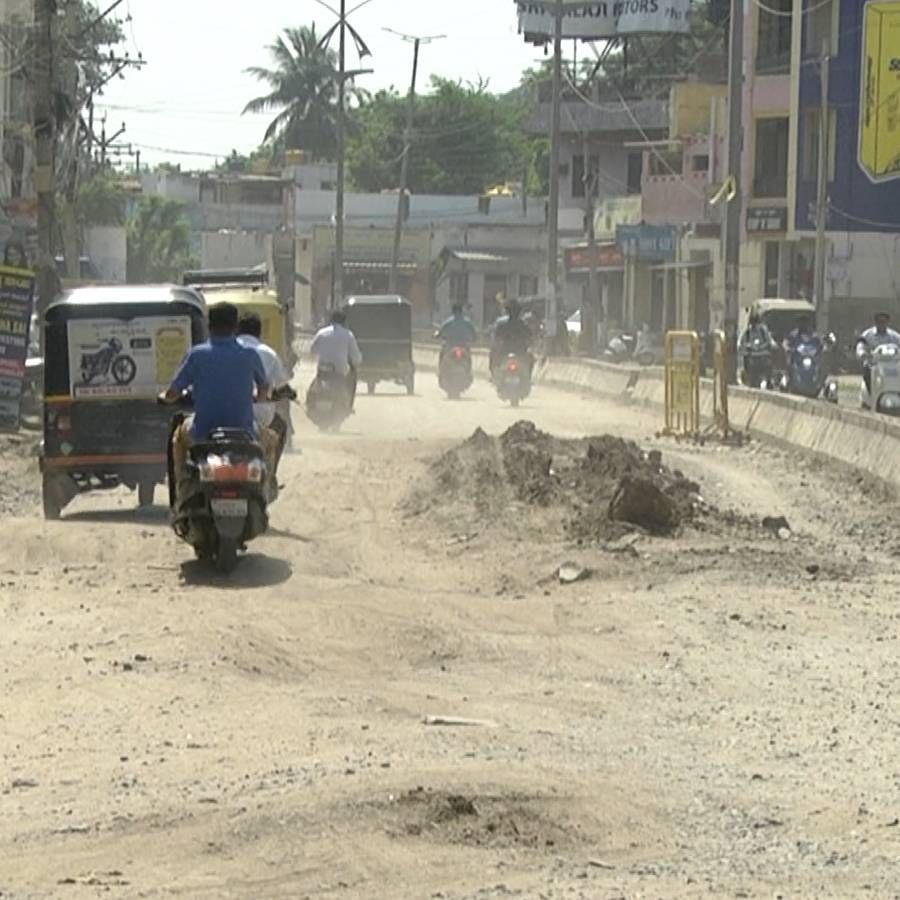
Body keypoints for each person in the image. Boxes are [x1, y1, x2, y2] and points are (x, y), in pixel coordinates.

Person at [159, 302, 280, 506]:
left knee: (178, 439)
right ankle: (265, 488)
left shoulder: (197, 354)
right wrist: (257, 397)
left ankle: (181, 490)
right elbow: (263, 390)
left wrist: (163, 397)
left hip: (202, 433)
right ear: (235, 326)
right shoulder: (249, 355)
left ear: (209, 325)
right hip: (245, 432)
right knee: (271, 440)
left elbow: (173, 393)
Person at [237, 311, 292, 474]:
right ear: (259, 332)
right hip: (261, 417)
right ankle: (271, 473)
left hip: (225, 415)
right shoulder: (269, 353)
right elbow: (282, 386)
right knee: (281, 427)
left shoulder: (226, 351)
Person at [310, 308, 363, 410]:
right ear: (344, 322)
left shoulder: (321, 333)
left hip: (322, 370)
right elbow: (356, 357)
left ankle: (309, 404)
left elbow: (312, 350)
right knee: (352, 380)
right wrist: (357, 361)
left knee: (314, 384)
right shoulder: (348, 335)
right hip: (340, 371)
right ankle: (349, 407)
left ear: (331, 320)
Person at [857, 312, 900, 392]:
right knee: (867, 370)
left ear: (888, 322)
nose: (882, 324)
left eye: (884, 321)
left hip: (892, 364)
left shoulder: (895, 336)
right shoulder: (867, 335)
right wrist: (862, 354)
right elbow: (860, 346)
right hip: (873, 364)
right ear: (875, 322)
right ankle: (871, 394)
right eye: (879, 321)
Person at [490, 298, 533, 377]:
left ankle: (493, 375)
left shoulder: (502, 325)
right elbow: (530, 338)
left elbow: (496, 339)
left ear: (507, 311)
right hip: (520, 352)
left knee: (493, 354)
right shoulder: (524, 325)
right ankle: (529, 377)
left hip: (504, 352)